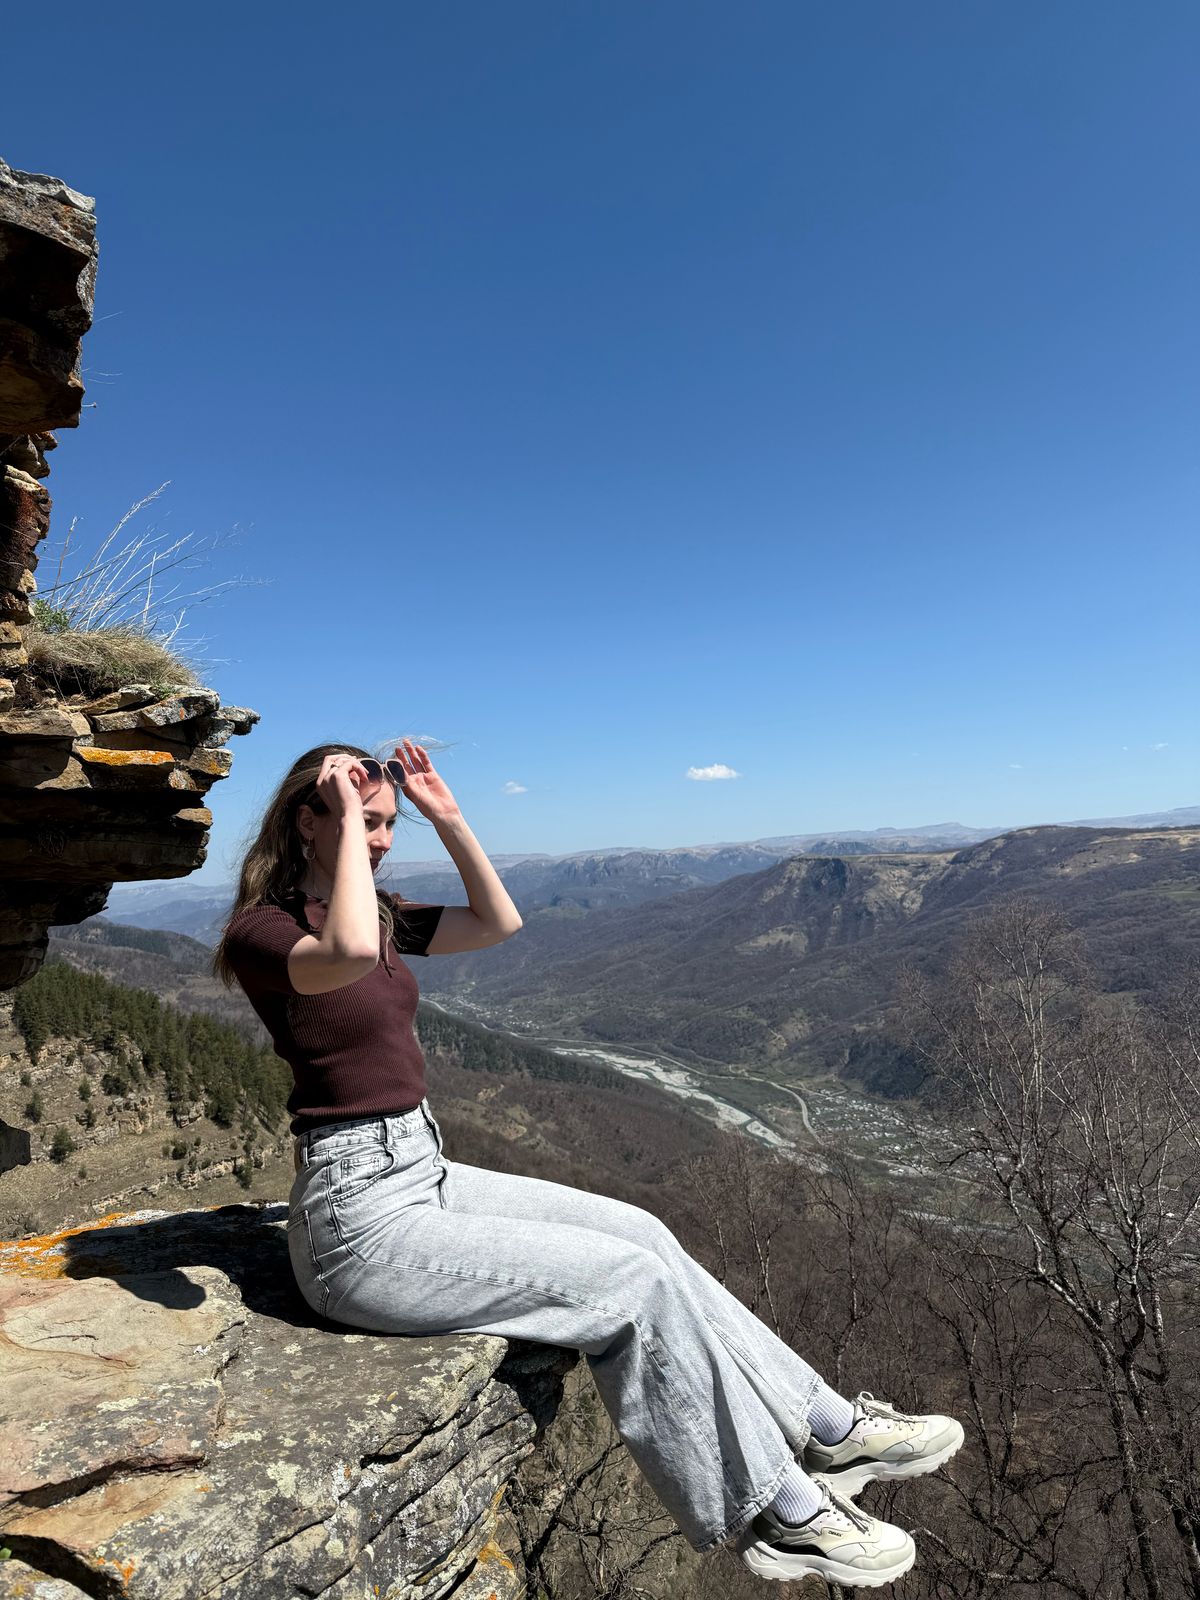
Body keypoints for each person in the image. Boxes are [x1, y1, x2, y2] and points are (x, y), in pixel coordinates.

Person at [214, 741, 964, 1588]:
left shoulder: (378, 914)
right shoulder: (264, 931)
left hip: (422, 1170)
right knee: (627, 1286)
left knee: (644, 1233)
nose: (381, 838)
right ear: (306, 820)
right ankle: (783, 1514)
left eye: (388, 824)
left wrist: (447, 818)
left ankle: (830, 1427)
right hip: (357, 1224)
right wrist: (351, 821)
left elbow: (498, 922)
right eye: (364, 820)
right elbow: (345, 954)